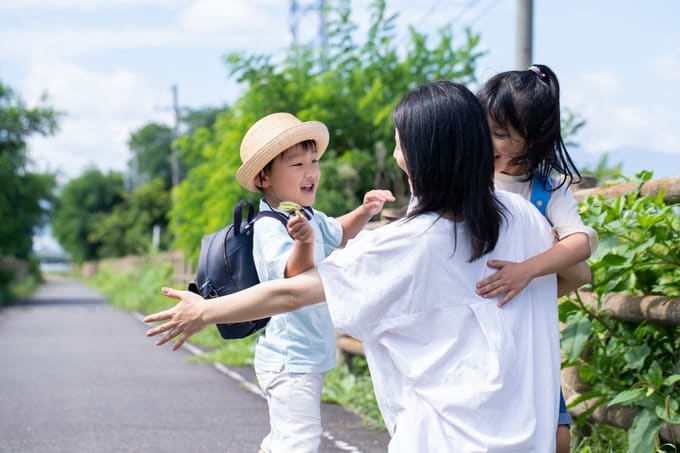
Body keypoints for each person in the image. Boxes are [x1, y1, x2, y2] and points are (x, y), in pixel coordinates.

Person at [145, 81, 562, 452]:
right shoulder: (521, 214)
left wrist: (203, 310)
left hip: (440, 435)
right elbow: (577, 272)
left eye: (398, 141)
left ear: (415, 155)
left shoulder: (405, 243)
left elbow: (293, 291)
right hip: (527, 436)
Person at [233, 112, 394, 453]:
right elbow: (292, 276)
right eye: (297, 164)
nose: (310, 172)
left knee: (284, 440)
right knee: (299, 442)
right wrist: (304, 242)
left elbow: (339, 231)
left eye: (314, 161)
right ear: (264, 177)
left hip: (306, 353)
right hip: (290, 358)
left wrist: (365, 211)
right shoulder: (269, 225)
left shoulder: (306, 215)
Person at [475, 63, 599, 453]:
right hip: (478, 329)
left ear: (533, 138)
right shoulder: (470, 177)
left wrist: (527, 275)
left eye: (501, 135)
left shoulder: (547, 186)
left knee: (557, 436)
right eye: (485, 130)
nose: (489, 142)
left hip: (529, 334)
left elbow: (579, 243)